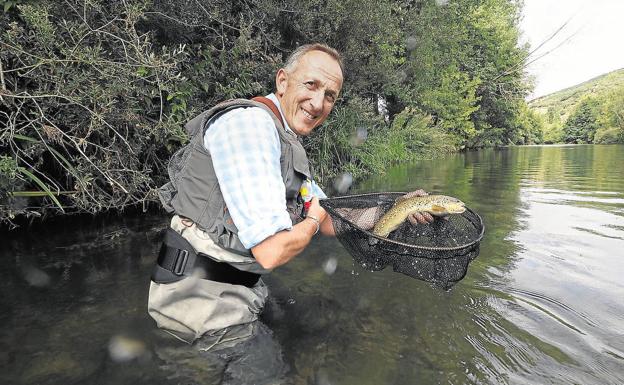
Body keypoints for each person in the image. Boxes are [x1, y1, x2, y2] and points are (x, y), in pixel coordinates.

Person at [147, 43, 434, 351]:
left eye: (329, 96)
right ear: (282, 81)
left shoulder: (281, 136)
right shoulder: (250, 127)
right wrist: (310, 219)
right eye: (311, 85)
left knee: (307, 327)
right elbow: (273, 250)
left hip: (237, 282)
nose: (318, 102)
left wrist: (396, 209)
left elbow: (329, 216)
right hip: (201, 300)